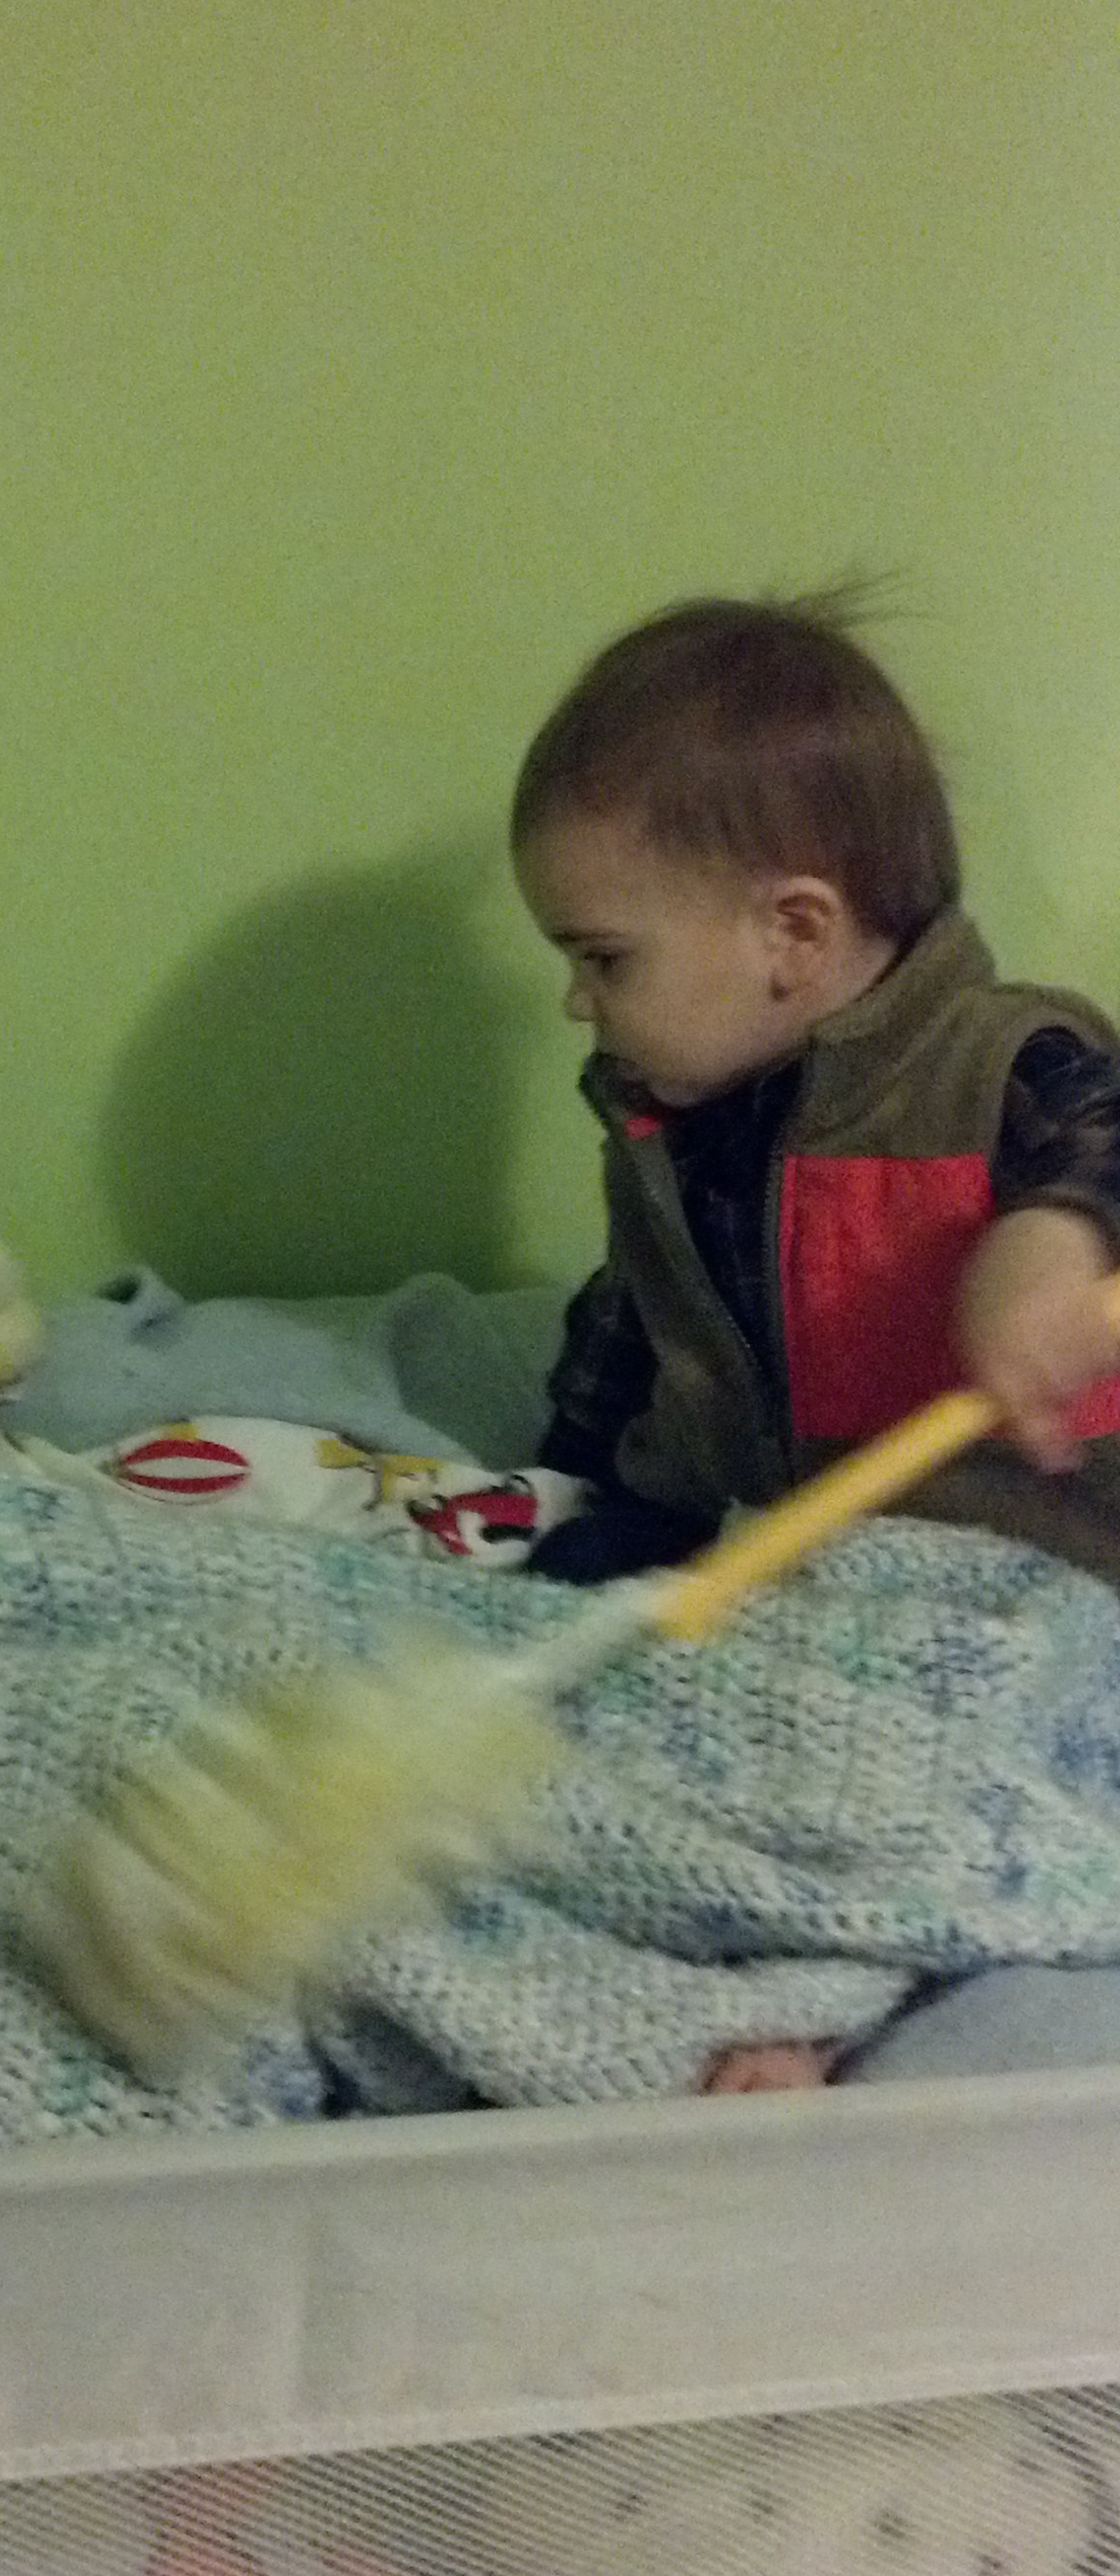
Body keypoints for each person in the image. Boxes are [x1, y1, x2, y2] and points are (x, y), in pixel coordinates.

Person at [509, 591, 1120, 2090]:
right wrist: (574, 1478)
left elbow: (1107, 1145)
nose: (577, 1000)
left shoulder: (1008, 1060)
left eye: (604, 958)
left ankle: (817, 1986)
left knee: (906, 1773)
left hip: (1027, 1574)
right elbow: (642, 1313)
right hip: (778, 1549)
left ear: (794, 932)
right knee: (616, 1719)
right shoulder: (669, 1116)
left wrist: (1054, 1240)